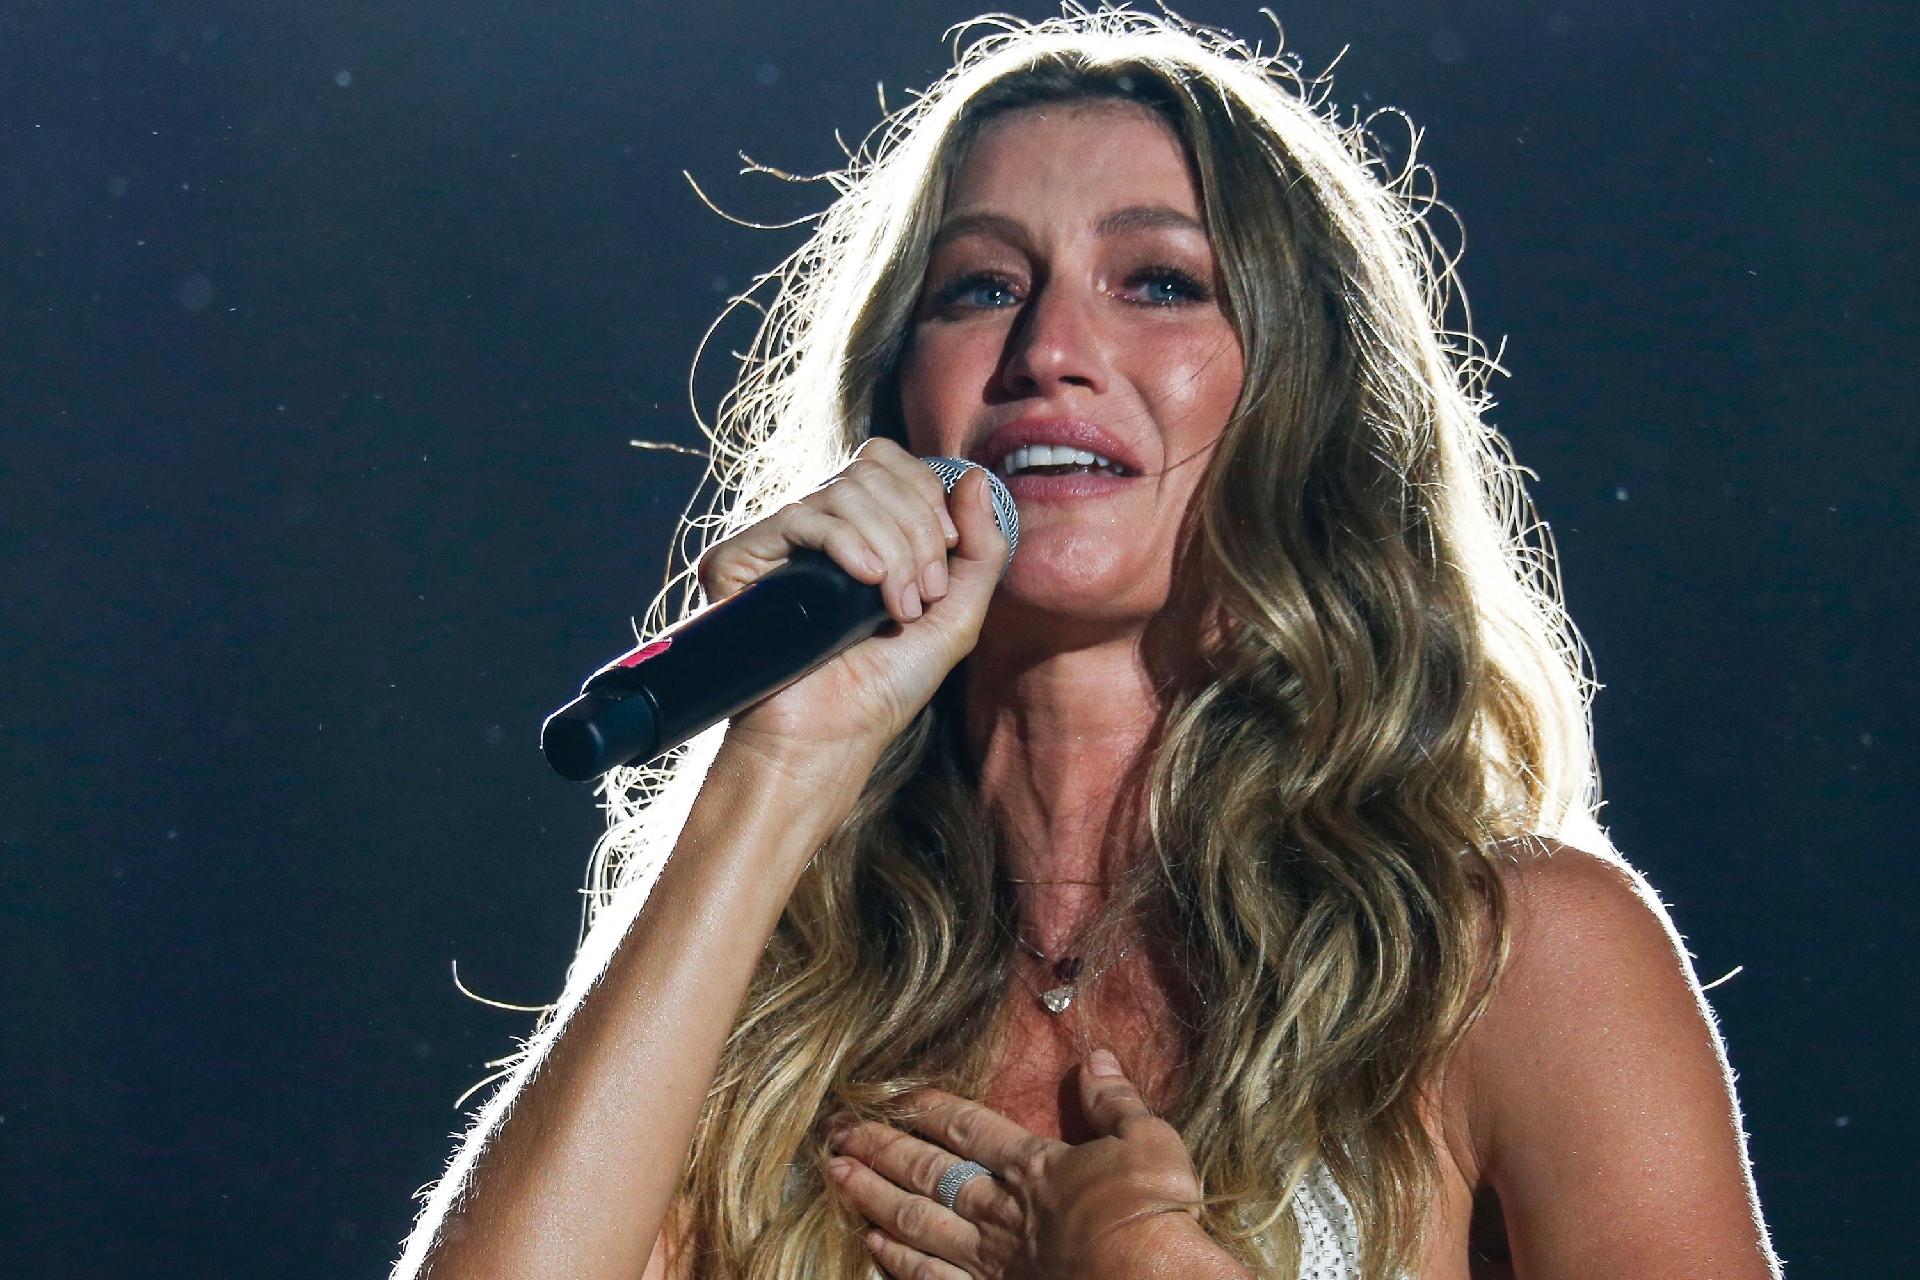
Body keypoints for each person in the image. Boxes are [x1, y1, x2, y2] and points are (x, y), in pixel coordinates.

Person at [392, 8, 1781, 1278]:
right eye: (980, 288)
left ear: (1301, 394)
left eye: (1161, 282)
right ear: (899, 404)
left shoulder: (1510, 958)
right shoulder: (772, 994)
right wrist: (772, 773)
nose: (1048, 347)